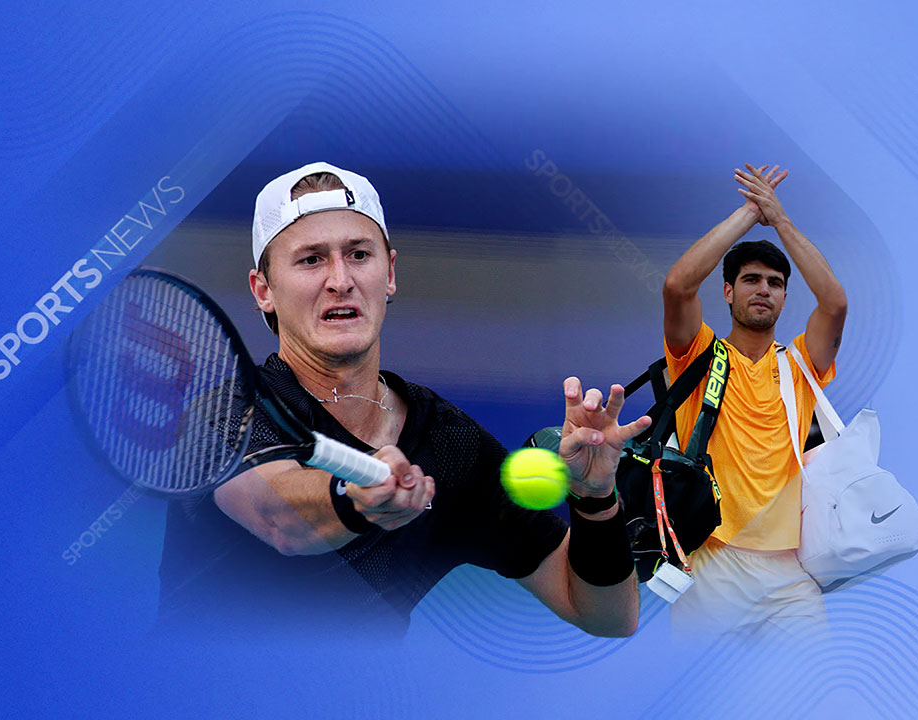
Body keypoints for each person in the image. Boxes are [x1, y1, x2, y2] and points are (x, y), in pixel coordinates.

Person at [157, 162, 648, 639]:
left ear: (389, 272)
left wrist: (595, 499)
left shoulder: (449, 443)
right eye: (311, 259)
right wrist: (356, 498)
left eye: (358, 254)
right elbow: (279, 518)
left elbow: (606, 616)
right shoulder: (226, 416)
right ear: (263, 290)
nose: (340, 280)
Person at [660, 163, 847, 640]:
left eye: (775, 283)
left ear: (784, 298)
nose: (764, 289)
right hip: (711, 560)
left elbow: (834, 304)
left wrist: (778, 218)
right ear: (728, 291)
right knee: (702, 685)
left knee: (810, 684)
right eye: (751, 279)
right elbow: (678, 286)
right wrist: (750, 212)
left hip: (789, 572)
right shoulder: (699, 355)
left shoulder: (801, 363)